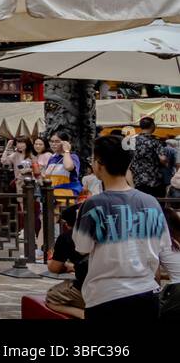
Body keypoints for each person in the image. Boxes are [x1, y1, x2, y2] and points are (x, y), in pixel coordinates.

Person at [73, 134, 180, 321]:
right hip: (146, 294)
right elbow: (162, 245)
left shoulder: (93, 205)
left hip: (105, 296)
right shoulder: (151, 202)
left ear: (99, 164)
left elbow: (82, 247)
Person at [44, 204, 86, 319]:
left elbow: (54, 268)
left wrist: (52, 261)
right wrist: (72, 267)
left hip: (88, 288)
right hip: (117, 286)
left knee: (52, 297)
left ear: (68, 224)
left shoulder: (68, 237)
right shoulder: (107, 233)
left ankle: (83, 314)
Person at [128, 117, 169, 198]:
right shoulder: (155, 141)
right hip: (154, 182)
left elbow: (128, 163)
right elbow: (163, 158)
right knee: (155, 205)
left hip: (137, 181)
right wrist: (166, 164)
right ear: (152, 126)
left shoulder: (131, 142)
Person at [44, 131, 82, 202]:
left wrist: (66, 151)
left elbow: (68, 167)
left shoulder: (72, 157)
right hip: (51, 196)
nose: (53, 144)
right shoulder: (52, 158)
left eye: (57, 141)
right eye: (51, 141)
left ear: (65, 142)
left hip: (66, 196)